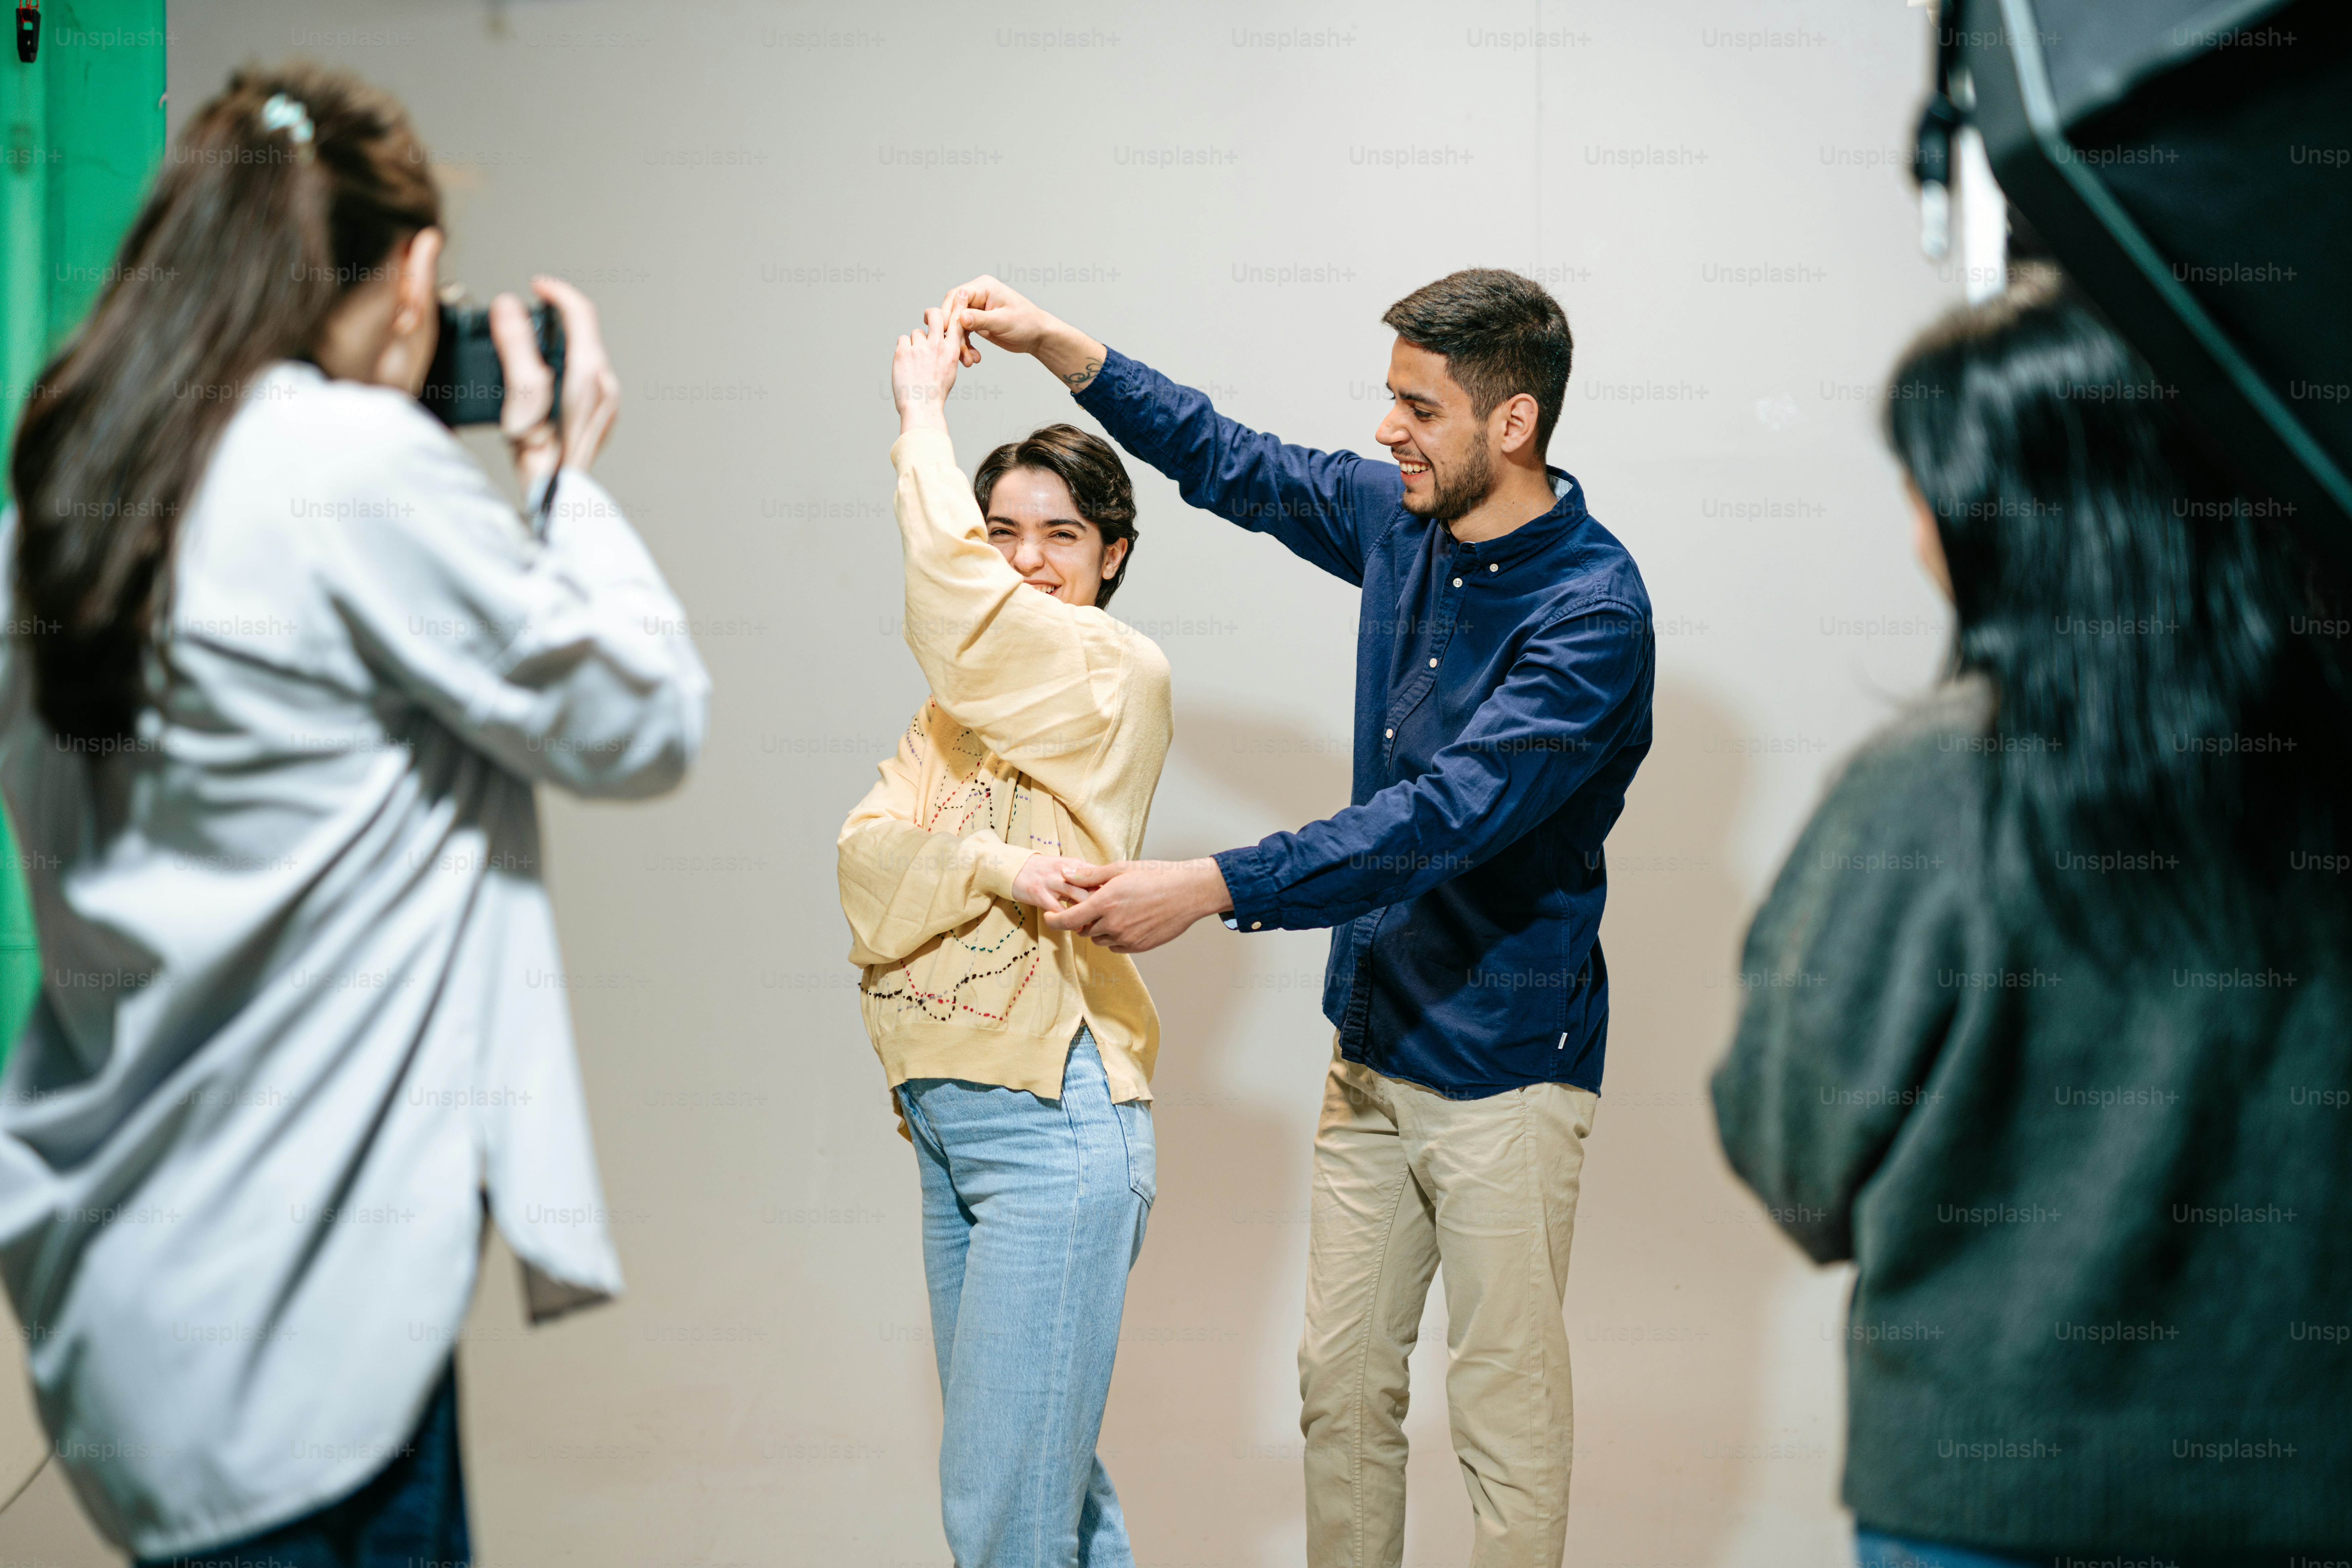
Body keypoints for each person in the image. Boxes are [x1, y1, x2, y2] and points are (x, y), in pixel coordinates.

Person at [0, 66, 708, 1566]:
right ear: (413, 274)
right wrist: (559, 476)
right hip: (309, 1322)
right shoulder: (341, 465)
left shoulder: (57, 491)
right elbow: (641, 718)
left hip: (121, 1308)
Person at [944, 269, 1654, 1568]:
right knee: (1340, 1390)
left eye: (1416, 405)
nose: (1388, 429)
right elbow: (1233, 460)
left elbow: (1440, 818)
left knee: (1502, 1408)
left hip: (1505, 1071)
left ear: (1512, 423)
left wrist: (1212, 883)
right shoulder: (1403, 523)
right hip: (1372, 1039)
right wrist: (1062, 348)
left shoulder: (1591, 614)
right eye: (1388, 397)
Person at [1711, 269, 2352, 1567]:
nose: (1914, 532)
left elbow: (1791, 1153)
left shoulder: (1934, 790)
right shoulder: (2323, 766)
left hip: (1985, 1509)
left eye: (1925, 491)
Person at [836, 294, 1173, 1567]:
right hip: (945, 1116)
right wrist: (989, 860)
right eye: (1001, 535)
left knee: (1002, 1516)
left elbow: (956, 609)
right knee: (1050, 1500)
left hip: (1054, 1124)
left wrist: (922, 415)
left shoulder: (1106, 671)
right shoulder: (954, 710)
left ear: (1115, 554)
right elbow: (865, 869)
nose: (1029, 561)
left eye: (1062, 536)